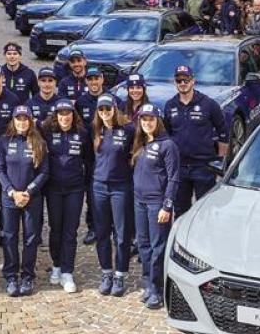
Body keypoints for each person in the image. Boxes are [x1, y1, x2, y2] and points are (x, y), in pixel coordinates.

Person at [0, 105, 48, 297]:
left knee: (31, 237)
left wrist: (28, 192)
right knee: (9, 236)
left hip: (31, 198)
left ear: (31, 121)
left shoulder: (39, 142)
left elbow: (44, 172)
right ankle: (11, 275)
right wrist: (11, 192)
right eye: (19, 118)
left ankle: (27, 275)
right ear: (13, 120)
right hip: (10, 198)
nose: (22, 122)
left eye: (26, 118)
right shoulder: (4, 141)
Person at [131, 104, 179, 310]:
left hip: (157, 203)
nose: (147, 123)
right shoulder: (140, 142)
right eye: (144, 119)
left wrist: (167, 206)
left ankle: (157, 289)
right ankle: (148, 282)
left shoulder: (168, 145)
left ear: (158, 121)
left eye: (151, 119)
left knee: (158, 246)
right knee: (143, 245)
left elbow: (174, 178)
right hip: (139, 202)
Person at [162, 65, 227, 214]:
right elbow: (167, 135)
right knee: (180, 211)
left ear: (193, 81)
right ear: (175, 83)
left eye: (186, 80)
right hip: (179, 168)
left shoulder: (209, 104)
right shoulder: (170, 105)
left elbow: (223, 133)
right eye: (179, 80)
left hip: (203, 167)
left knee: (204, 210)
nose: (182, 83)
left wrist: (219, 161)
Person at [42, 98, 90, 294]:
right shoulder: (47, 132)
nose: (65, 117)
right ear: (56, 116)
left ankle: (67, 271)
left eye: (68, 113)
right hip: (53, 188)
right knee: (55, 229)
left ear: (73, 114)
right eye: (61, 114)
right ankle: (56, 265)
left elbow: (88, 159)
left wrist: (86, 185)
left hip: (74, 189)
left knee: (70, 231)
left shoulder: (82, 134)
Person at [92, 94, 135, 297]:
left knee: (122, 233)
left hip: (120, 186)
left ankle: (120, 274)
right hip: (99, 186)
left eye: (108, 108)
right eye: (101, 109)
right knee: (102, 233)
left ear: (115, 109)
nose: (105, 112)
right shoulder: (95, 129)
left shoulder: (128, 130)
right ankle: (106, 272)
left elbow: (137, 153)